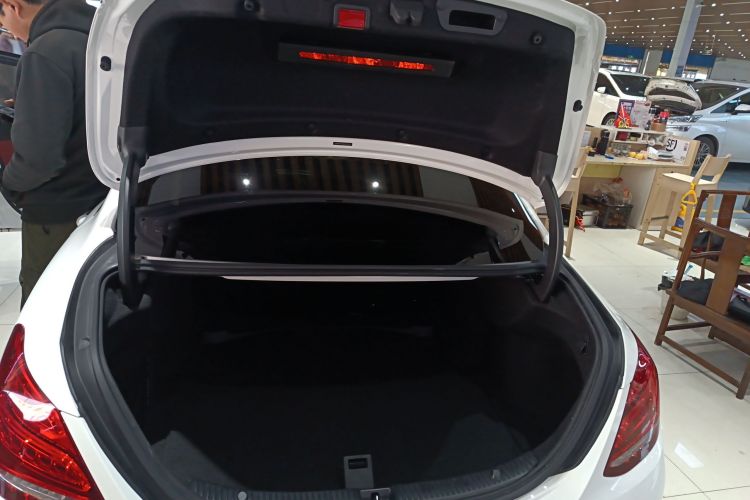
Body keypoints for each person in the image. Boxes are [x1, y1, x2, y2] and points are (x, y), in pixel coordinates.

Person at [0, 0, 108, 306]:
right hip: (98, 199)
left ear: (13, 6)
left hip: (56, 212)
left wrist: (11, 184)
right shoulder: (98, 39)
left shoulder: (44, 51)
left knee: (43, 304)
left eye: (3, 19)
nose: (9, 31)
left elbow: (39, 159)